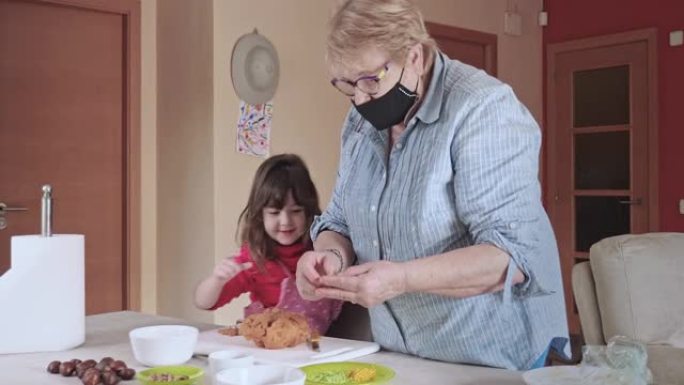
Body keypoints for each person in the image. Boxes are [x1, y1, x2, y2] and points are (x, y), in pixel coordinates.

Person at [295, 0, 569, 370]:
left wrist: (402, 278)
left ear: (414, 58)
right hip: (404, 353)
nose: (359, 100)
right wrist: (330, 258)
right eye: (347, 85)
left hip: (494, 359)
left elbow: (511, 257)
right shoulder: (360, 123)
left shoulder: (483, 109)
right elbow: (340, 221)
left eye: (371, 81)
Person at [195, 154, 341, 334]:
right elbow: (204, 302)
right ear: (260, 215)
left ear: (308, 212)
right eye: (274, 212)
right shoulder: (253, 258)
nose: (285, 221)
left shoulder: (324, 249)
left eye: (295, 211)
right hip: (270, 352)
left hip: (319, 347)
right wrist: (216, 280)